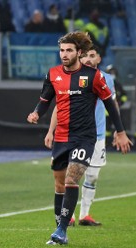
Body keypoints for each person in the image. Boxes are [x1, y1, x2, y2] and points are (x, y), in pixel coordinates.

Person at [27, 31, 132, 245]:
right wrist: (37, 112)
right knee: (58, 184)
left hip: (84, 137)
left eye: (69, 50)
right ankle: (59, 225)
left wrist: (120, 131)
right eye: (62, 50)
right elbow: (45, 99)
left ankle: (61, 231)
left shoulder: (93, 76)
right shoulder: (53, 74)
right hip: (62, 136)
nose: (64, 54)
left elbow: (110, 103)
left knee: (71, 179)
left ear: (79, 52)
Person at [44, 45, 116, 228]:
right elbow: (59, 106)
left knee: (92, 176)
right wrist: (51, 130)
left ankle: (85, 214)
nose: (89, 59)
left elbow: (111, 105)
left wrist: (118, 130)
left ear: (99, 58)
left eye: (93, 55)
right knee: (70, 176)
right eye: (85, 56)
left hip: (97, 134)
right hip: (72, 135)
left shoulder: (106, 79)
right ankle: (70, 216)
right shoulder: (72, 77)